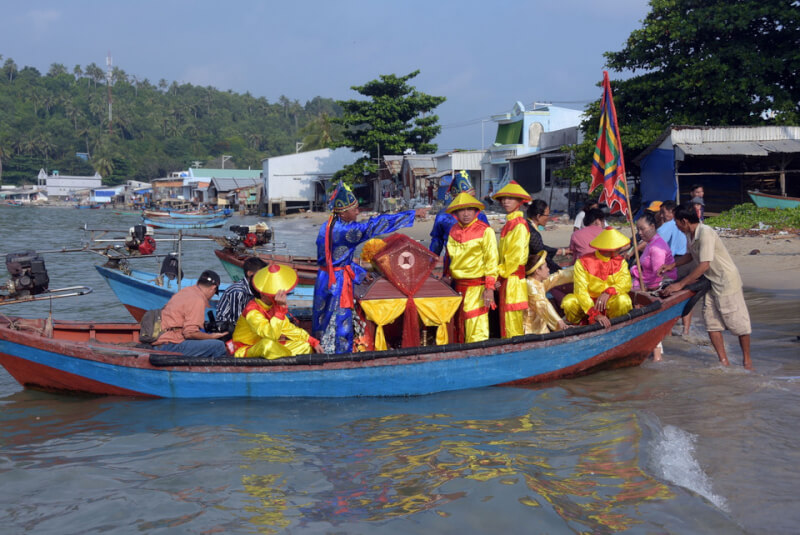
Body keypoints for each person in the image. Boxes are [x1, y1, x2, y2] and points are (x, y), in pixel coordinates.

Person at [313, 181, 421, 354]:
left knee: (323, 317)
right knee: (340, 318)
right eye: (354, 209)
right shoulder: (345, 231)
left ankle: (322, 349)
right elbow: (374, 225)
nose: (358, 212)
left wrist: (360, 272)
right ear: (342, 212)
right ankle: (340, 354)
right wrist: (411, 215)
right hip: (337, 282)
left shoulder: (327, 226)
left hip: (324, 279)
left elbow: (339, 259)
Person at [660, 203, 753, 370]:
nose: (676, 226)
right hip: (709, 282)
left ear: (685, 221)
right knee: (711, 322)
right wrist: (671, 266)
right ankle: (723, 361)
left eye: (677, 223)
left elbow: (704, 264)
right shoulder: (690, 234)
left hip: (725, 281)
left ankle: (747, 361)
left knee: (738, 323)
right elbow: (690, 255)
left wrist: (680, 284)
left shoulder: (706, 233)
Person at [232, 264, 321, 358]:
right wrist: (279, 310)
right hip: (247, 349)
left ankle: (284, 356)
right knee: (268, 345)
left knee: (305, 346)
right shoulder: (252, 312)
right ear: (263, 294)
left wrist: (312, 341)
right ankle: (287, 357)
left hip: (273, 346)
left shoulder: (273, 305)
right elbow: (271, 335)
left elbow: (288, 328)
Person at [445, 192, 499, 343]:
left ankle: (478, 356)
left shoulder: (485, 230)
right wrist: (447, 275)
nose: (466, 213)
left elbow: (492, 260)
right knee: (458, 326)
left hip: (477, 287)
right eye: (462, 209)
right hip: (458, 287)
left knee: (476, 326)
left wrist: (489, 288)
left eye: (470, 209)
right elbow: (449, 257)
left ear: (476, 211)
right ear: (456, 213)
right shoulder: (453, 230)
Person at [561, 228, 633, 328]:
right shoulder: (582, 262)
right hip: (587, 304)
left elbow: (626, 283)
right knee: (568, 302)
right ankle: (577, 326)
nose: (621, 249)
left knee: (623, 300)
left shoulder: (621, 262)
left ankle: (616, 324)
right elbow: (580, 291)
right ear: (609, 249)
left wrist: (609, 291)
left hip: (609, 302)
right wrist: (594, 312)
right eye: (618, 247)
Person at [152, 270, 228, 357]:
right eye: (215, 292)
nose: (212, 295)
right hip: (169, 345)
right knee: (218, 346)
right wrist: (212, 337)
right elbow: (190, 333)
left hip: (159, 340)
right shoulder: (198, 300)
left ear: (197, 282)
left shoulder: (185, 291)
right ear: (213, 288)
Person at [492, 180, 531, 338]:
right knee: (507, 320)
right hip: (508, 278)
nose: (505, 201)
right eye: (504, 198)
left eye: (510, 198)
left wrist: (497, 274)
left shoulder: (519, 225)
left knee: (512, 322)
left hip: (513, 280)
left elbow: (513, 258)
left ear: (519, 202)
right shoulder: (510, 223)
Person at [429, 170, 489, 256]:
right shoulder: (443, 216)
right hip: (452, 262)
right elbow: (437, 241)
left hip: (475, 263)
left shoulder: (480, 215)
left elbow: (488, 243)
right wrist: (431, 260)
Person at [523, 251, 573, 334]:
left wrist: (580, 269)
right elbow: (543, 305)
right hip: (530, 332)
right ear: (537, 271)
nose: (548, 269)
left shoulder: (538, 281)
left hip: (541, 329)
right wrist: (559, 322)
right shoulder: (530, 285)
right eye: (546, 267)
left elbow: (557, 277)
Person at [215, 257, 267, 328]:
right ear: (250, 274)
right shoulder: (238, 291)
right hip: (227, 327)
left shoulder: (254, 288)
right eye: (261, 274)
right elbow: (236, 320)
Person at [630, 211, 676, 290]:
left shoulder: (656, 248)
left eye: (642, 229)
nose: (640, 233)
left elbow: (657, 278)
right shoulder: (650, 242)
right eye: (638, 229)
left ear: (652, 227)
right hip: (646, 280)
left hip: (659, 285)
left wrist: (636, 273)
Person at [527, 199, 569, 274]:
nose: (548, 218)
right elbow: (541, 255)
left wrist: (561, 251)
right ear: (538, 216)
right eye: (547, 215)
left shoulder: (527, 225)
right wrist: (559, 271)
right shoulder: (533, 232)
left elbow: (541, 247)